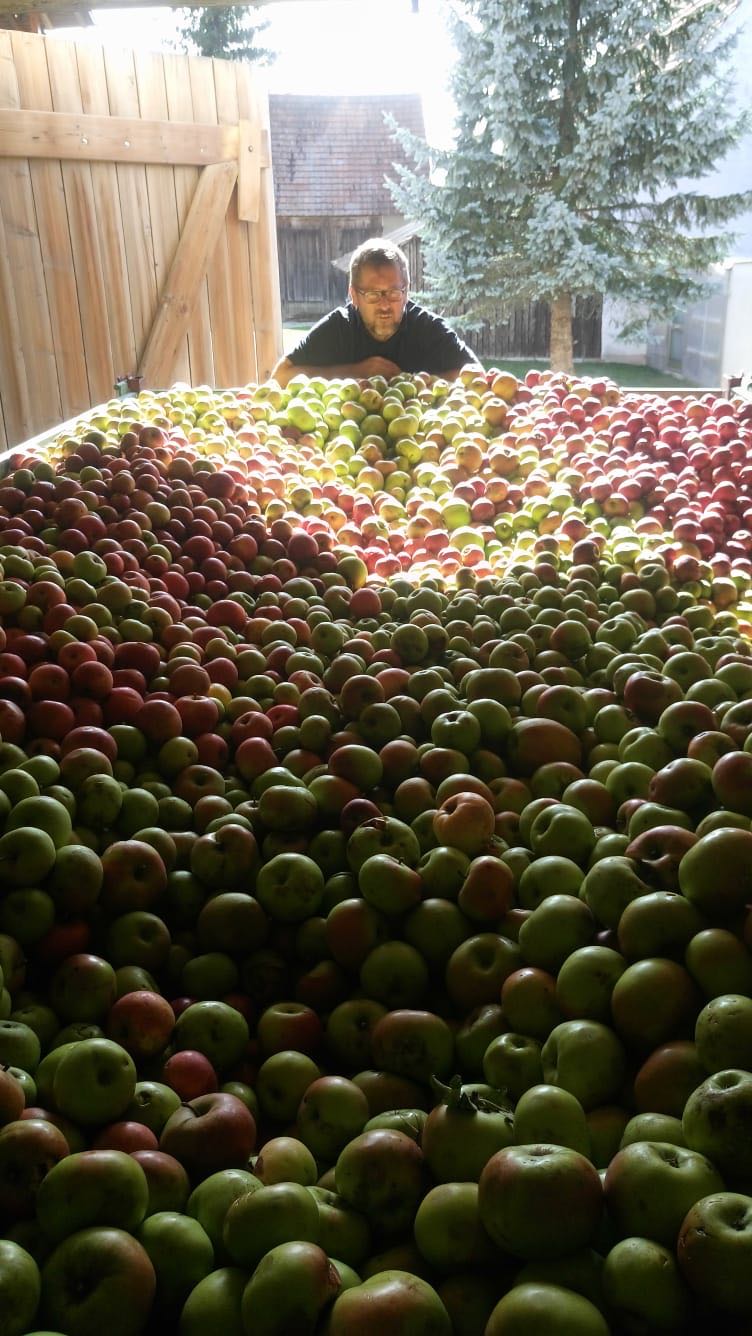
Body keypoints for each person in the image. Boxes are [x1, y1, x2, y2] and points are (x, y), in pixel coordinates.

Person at [271, 238, 481, 387]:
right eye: (372, 294)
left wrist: (411, 382)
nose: (384, 305)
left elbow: (478, 377)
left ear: (406, 292)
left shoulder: (428, 328)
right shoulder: (339, 328)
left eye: (393, 293)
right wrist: (355, 373)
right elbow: (280, 376)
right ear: (353, 295)